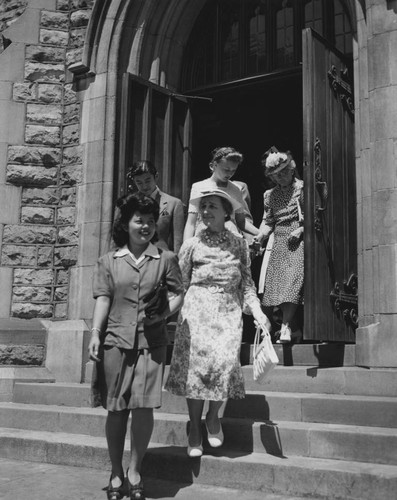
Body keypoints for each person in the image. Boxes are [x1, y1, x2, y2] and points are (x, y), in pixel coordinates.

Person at [88, 193, 184, 500]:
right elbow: (104, 298)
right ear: (126, 224)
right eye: (139, 220)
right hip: (116, 342)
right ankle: (116, 472)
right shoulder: (108, 261)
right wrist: (94, 333)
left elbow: (178, 293)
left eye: (150, 221)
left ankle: (135, 469)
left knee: (142, 407)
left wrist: (165, 313)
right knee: (116, 409)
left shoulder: (166, 259)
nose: (145, 226)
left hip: (150, 342)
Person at [165, 188, 271, 457]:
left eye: (212, 206)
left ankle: (213, 417)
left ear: (226, 212)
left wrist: (258, 313)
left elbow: (246, 285)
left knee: (223, 365)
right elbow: (179, 285)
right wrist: (163, 315)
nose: (206, 211)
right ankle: (194, 430)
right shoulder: (192, 245)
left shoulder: (239, 245)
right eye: (203, 206)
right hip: (197, 310)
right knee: (196, 370)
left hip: (227, 311)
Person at [254, 150, 304, 343]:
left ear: (292, 170)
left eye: (283, 172)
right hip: (279, 240)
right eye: (276, 175)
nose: (280, 177)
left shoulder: (302, 188)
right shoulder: (269, 195)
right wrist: (260, 236)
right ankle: (286, 326)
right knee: (277, 287)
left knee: (292, 282)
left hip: (297, 239)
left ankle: (285, 326)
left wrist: (300, 231)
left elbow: (312, 215)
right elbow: (268, 221)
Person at [183, 147, 259, 241]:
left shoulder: (236, 189)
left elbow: (241, 222)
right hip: (204, 236)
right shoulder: (199, 187)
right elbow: (191, 223)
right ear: (213, 166)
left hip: (229, 236)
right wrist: (186, 247)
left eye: (233, 170)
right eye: (226, 170)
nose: (230, 174)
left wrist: (260, 233)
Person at [127, 160, 185, 254]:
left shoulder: (174, 203)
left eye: (148, 180)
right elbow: (118, 240)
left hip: (160, 262)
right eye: (139, 182)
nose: (144, 186)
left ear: (156, 177)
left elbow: (178, 244)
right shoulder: (129, 204)